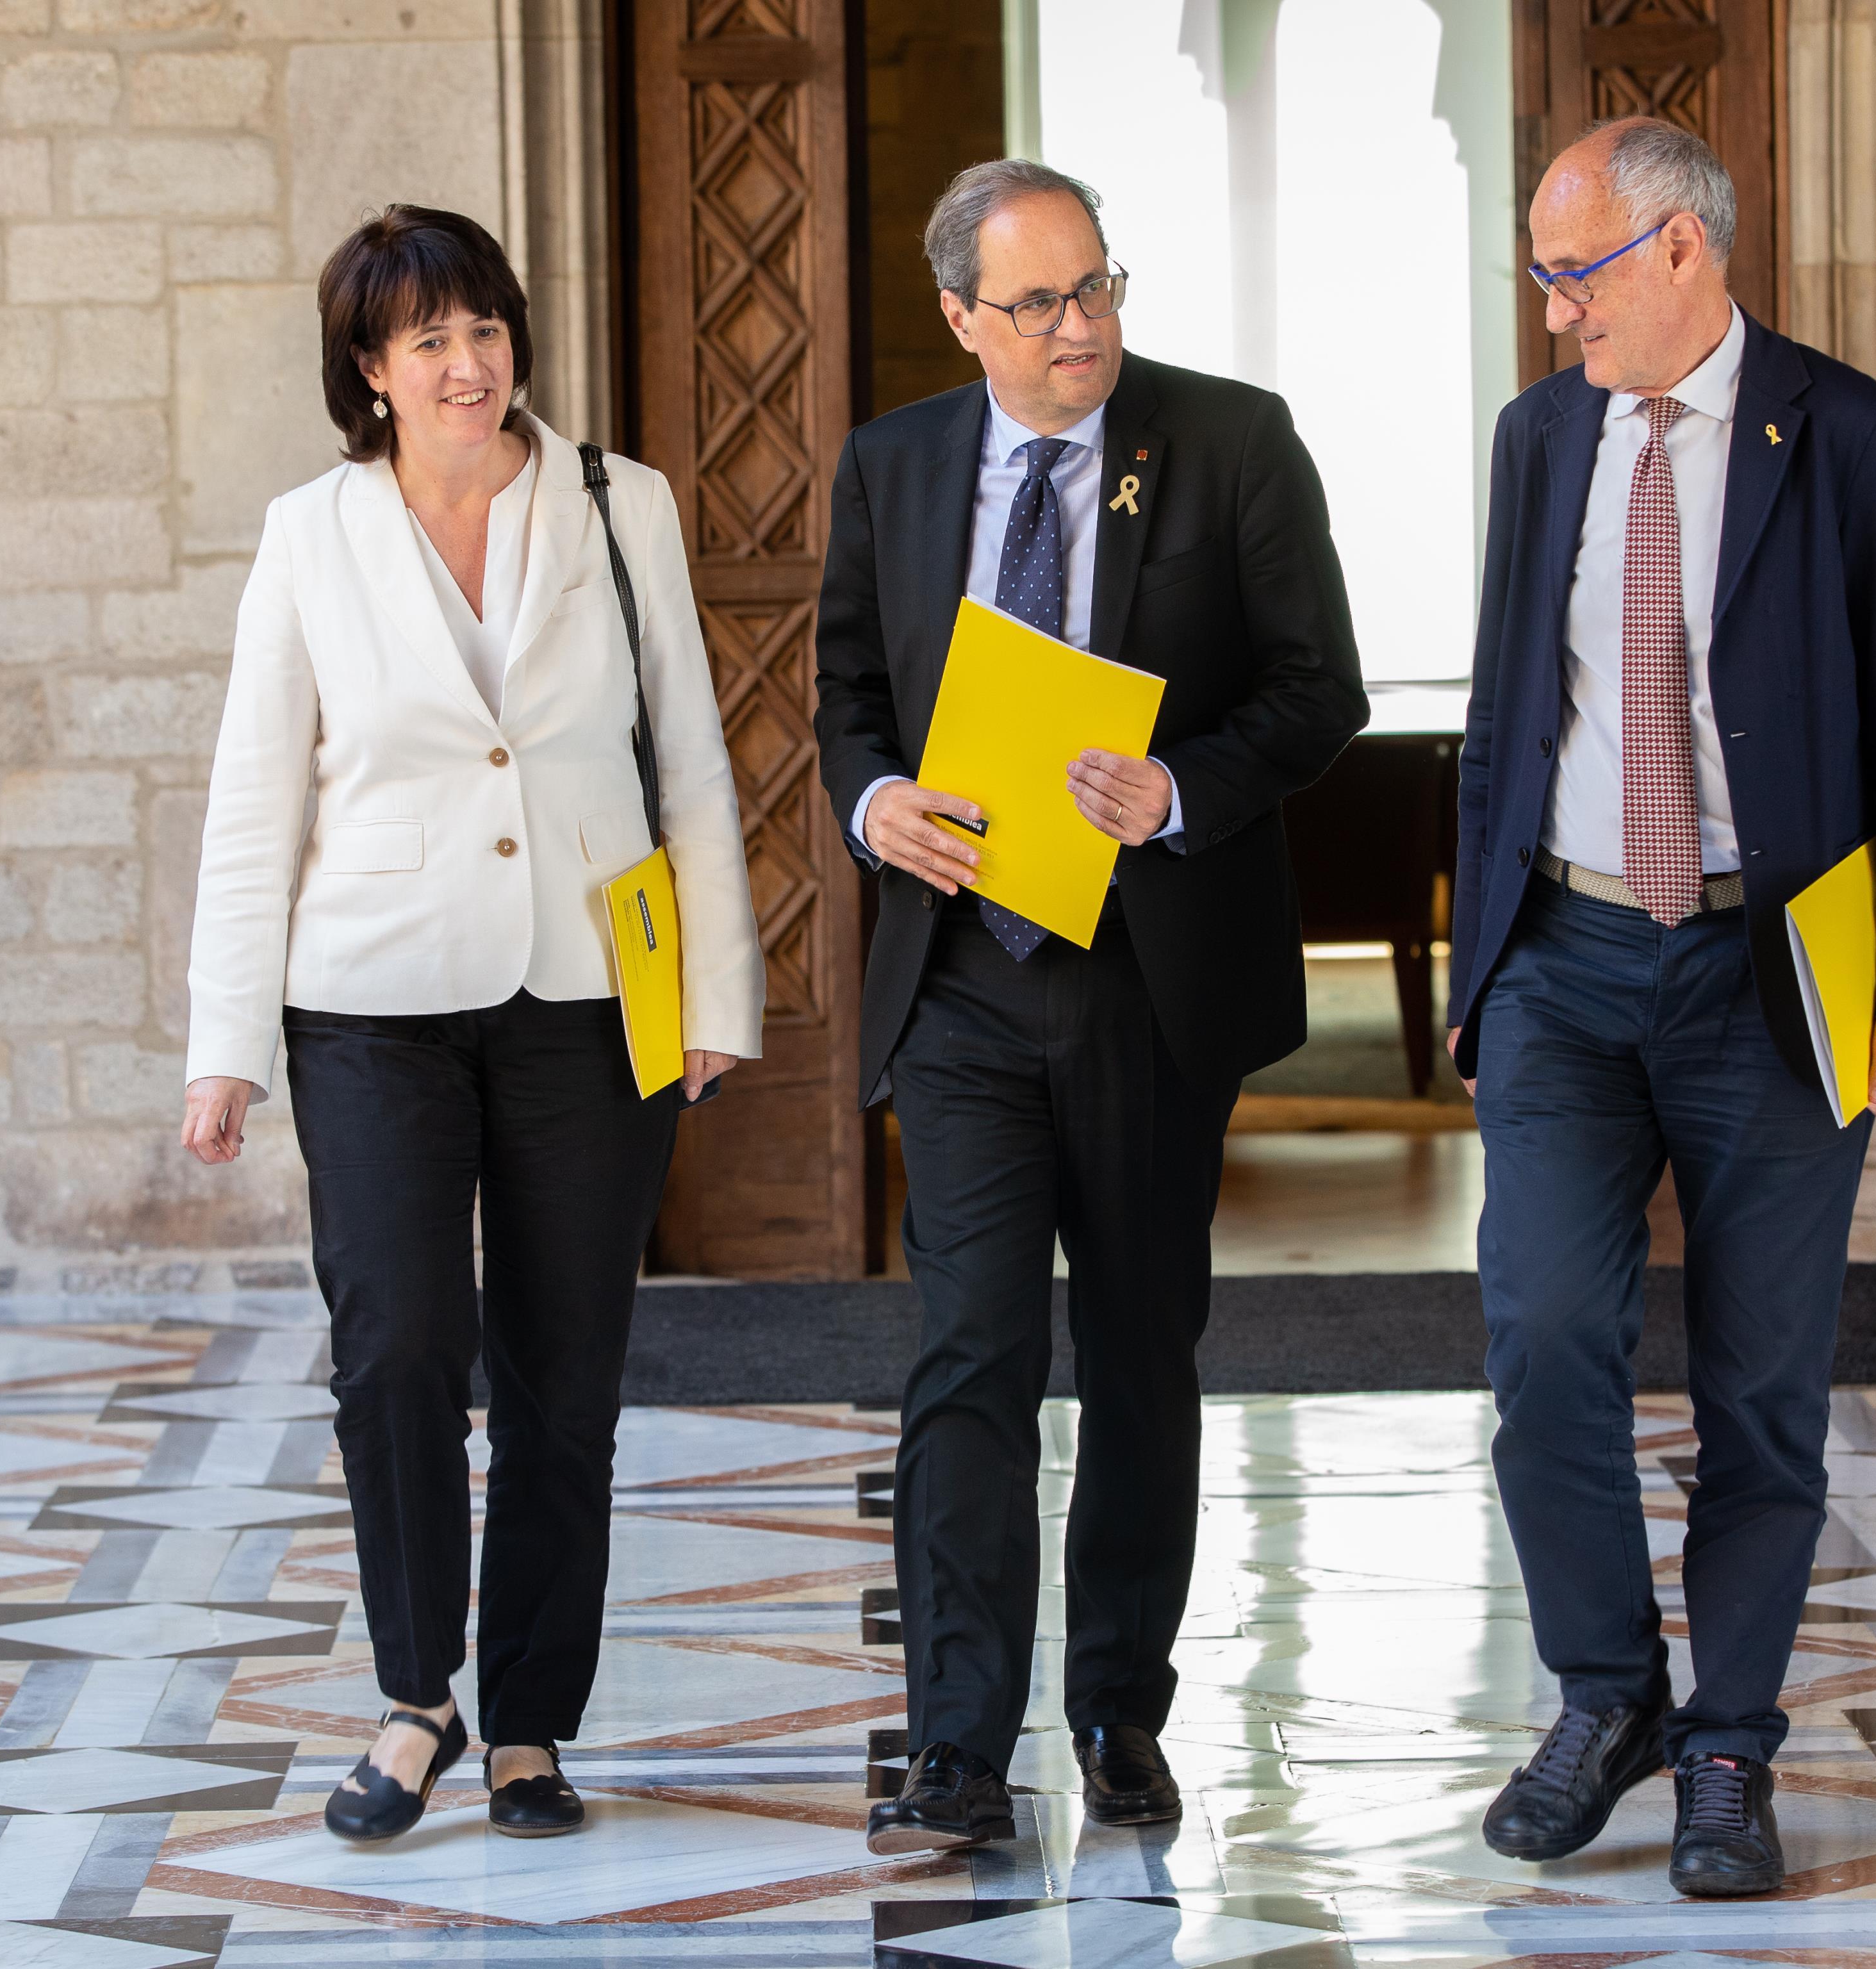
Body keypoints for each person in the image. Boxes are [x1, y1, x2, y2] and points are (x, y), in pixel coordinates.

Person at [179, 204, 764, 1845]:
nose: (469, 361)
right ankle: (415, 1697)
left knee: (567, 1376)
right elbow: (250, 801)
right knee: (397, 1355)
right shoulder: (311, 533)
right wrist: (223, 1042)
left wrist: (711, 990)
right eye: (428, 338)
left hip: (587, 993)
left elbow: (691, 758)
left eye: (488, 326)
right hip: (367, 1000)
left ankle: (532, 1728)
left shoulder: (614, 498)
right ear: (368, 371)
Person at [814, 160, 1365, 1853]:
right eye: (1044, 302)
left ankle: (1121, 1710)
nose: (1085, 328)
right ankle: (956, 1748)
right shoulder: (896, 464)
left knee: (1138, 1356)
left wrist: (1180, 791)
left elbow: (1318, 690)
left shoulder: (1228, 441)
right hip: (963, 981)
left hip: (1146, 984)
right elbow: (844, 691)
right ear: (962, 317)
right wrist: (872, 800)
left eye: (1100, 286)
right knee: (970, 1354)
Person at [1446, 120, 1876, 1895]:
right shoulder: (1538, 440)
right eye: (1540, 273)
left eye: (1571, 272)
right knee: (1541, 1351)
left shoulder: (1840, 431)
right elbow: (1504, 712)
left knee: (1759, 1387)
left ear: (1680, 250)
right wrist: (1475, 976)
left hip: (1773, 972)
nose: (1549, 314)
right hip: (1565, 964)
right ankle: (1609, 1696)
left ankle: (1729, 1748)